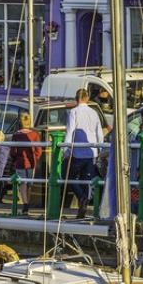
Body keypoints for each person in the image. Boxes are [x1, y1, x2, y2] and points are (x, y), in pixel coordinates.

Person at [63, 88, 105, 220]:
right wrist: (99, 150)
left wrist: (66, 151)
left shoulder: (73, 112)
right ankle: (84, 204)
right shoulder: (94, 113)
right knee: (87, 180)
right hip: (91, 152)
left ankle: (82, 199)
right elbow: (100, 133)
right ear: (87, 98)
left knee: (69, 178)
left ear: (77, 99)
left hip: (77, 152)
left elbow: (70, 132)